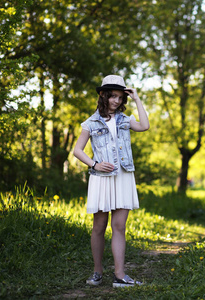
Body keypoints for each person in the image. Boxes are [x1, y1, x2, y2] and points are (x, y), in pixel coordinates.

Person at [73, 75, 149, 288]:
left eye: (120, 97)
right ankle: (98, 272)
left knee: (119, 226)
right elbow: (77, 150)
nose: (116, 101)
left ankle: (119, 275)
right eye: (113, 96)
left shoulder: (125, 120)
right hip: (102, 179)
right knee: (99, 226)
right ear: (103, 95)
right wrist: (94, 164)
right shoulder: (91, 122)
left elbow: (144, 126)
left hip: (123, 176)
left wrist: (137, 100)